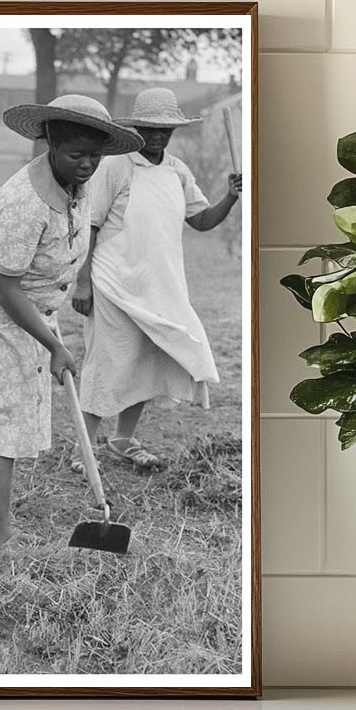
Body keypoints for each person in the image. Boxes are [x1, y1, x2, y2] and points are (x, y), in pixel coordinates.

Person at [0, 95, 143, 546]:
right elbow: (3, 285)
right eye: (76, 154)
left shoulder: (79, 180)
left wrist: (50, 329)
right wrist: (55, 345)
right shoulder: (24, 202)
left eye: (95, 155)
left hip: (29, 303)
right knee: (5, 412)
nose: (88, 165)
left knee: (20, 407)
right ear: (49, 143)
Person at [71, 88, 242, 472]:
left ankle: (122, 440)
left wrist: (229, 198)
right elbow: (91, 227)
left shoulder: (177, 170)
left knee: (145, 362)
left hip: (159, 285)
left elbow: (200, 221)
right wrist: (82, 283)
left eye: (166, 129)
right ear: (137, 128)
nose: (158, 136)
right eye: (151, 128)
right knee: (108, 363)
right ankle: (83, 449)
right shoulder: (117, 167)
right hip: (113, 282)